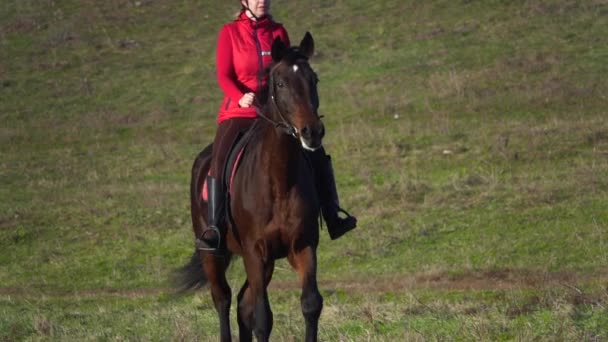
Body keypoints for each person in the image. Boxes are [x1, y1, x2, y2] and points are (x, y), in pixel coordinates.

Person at [199, 0, 356, 254]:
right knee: (219, 158)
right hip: (239, 111)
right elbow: (224, 75)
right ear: (245, 1)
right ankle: (215, 227)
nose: (262, 0)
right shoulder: (230, 33)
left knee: (315, 151)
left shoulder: (278, 31)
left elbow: (286, 73)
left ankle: (332, 213)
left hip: (274, 113)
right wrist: (240, 96)